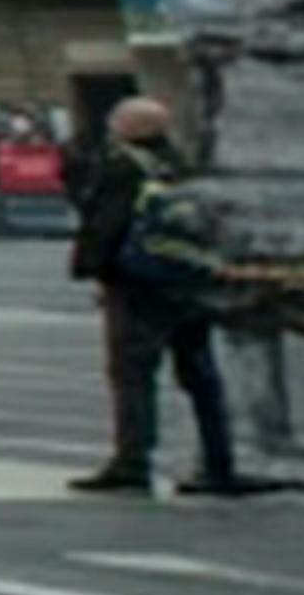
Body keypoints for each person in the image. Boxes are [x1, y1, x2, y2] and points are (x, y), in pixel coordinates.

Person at [69, 94, 279, 501]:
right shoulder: (181, 167)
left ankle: (132, 461)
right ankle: (218, 462)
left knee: (132, 374)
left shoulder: (122, 167)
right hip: (186, 283)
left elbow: (107, 225)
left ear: (127, 129)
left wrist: (97, 270)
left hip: (138, 287)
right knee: (201, 377)